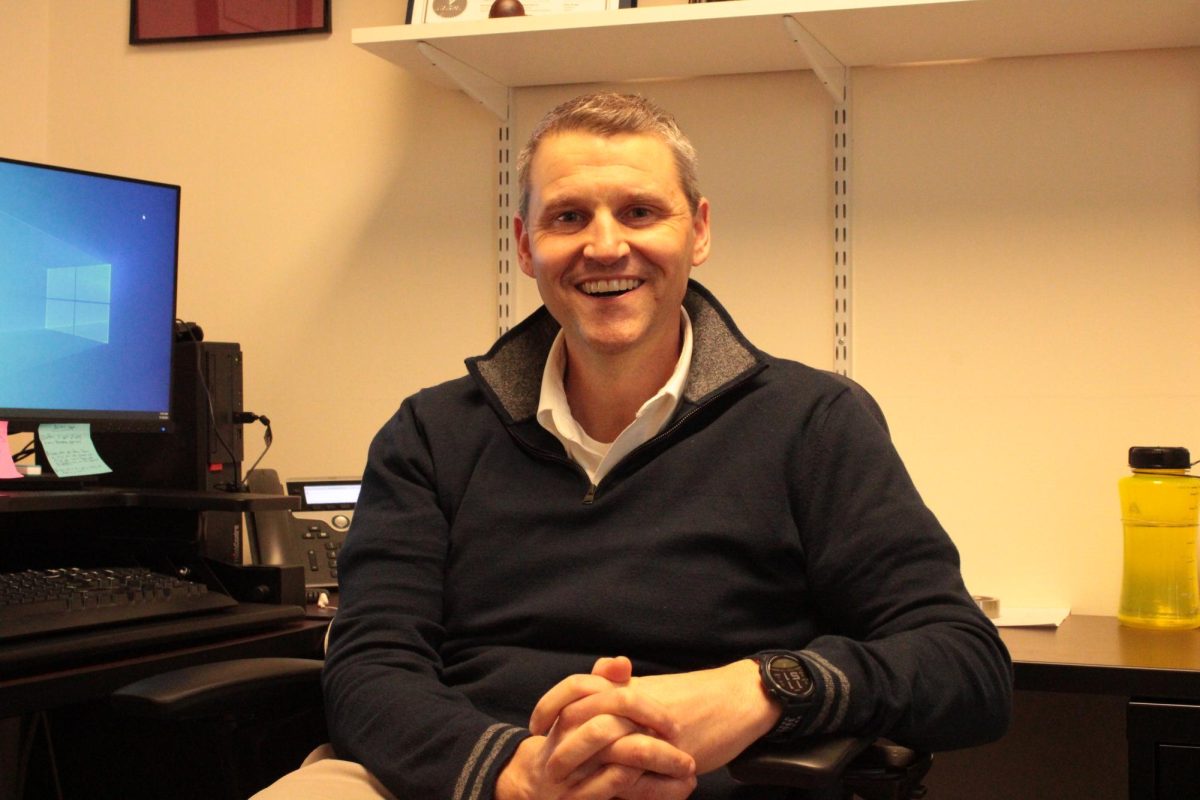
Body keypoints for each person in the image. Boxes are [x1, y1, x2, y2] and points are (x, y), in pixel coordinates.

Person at [254, 91, 1012, 800]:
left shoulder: (813, 421)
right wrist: (516, 773)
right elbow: (370, 666)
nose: (606, 246)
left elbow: (965, 664)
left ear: (699, 230)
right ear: (525, 244)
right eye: (568, 217)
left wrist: (764, 686)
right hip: (469, 777)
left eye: (641, 211)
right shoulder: (430, 434)